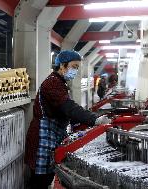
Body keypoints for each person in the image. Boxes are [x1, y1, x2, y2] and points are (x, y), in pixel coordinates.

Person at [24, 50, 111, 189]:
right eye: (74, 67)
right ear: (62, 66)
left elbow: (64, 110)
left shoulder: (60, 82)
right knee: (40, 181)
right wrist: (95, 119)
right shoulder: (52, 83)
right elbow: (69, 108)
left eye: (77, 68)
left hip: (51, 135)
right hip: (43, 137)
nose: (75, 71)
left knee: (45, 179)